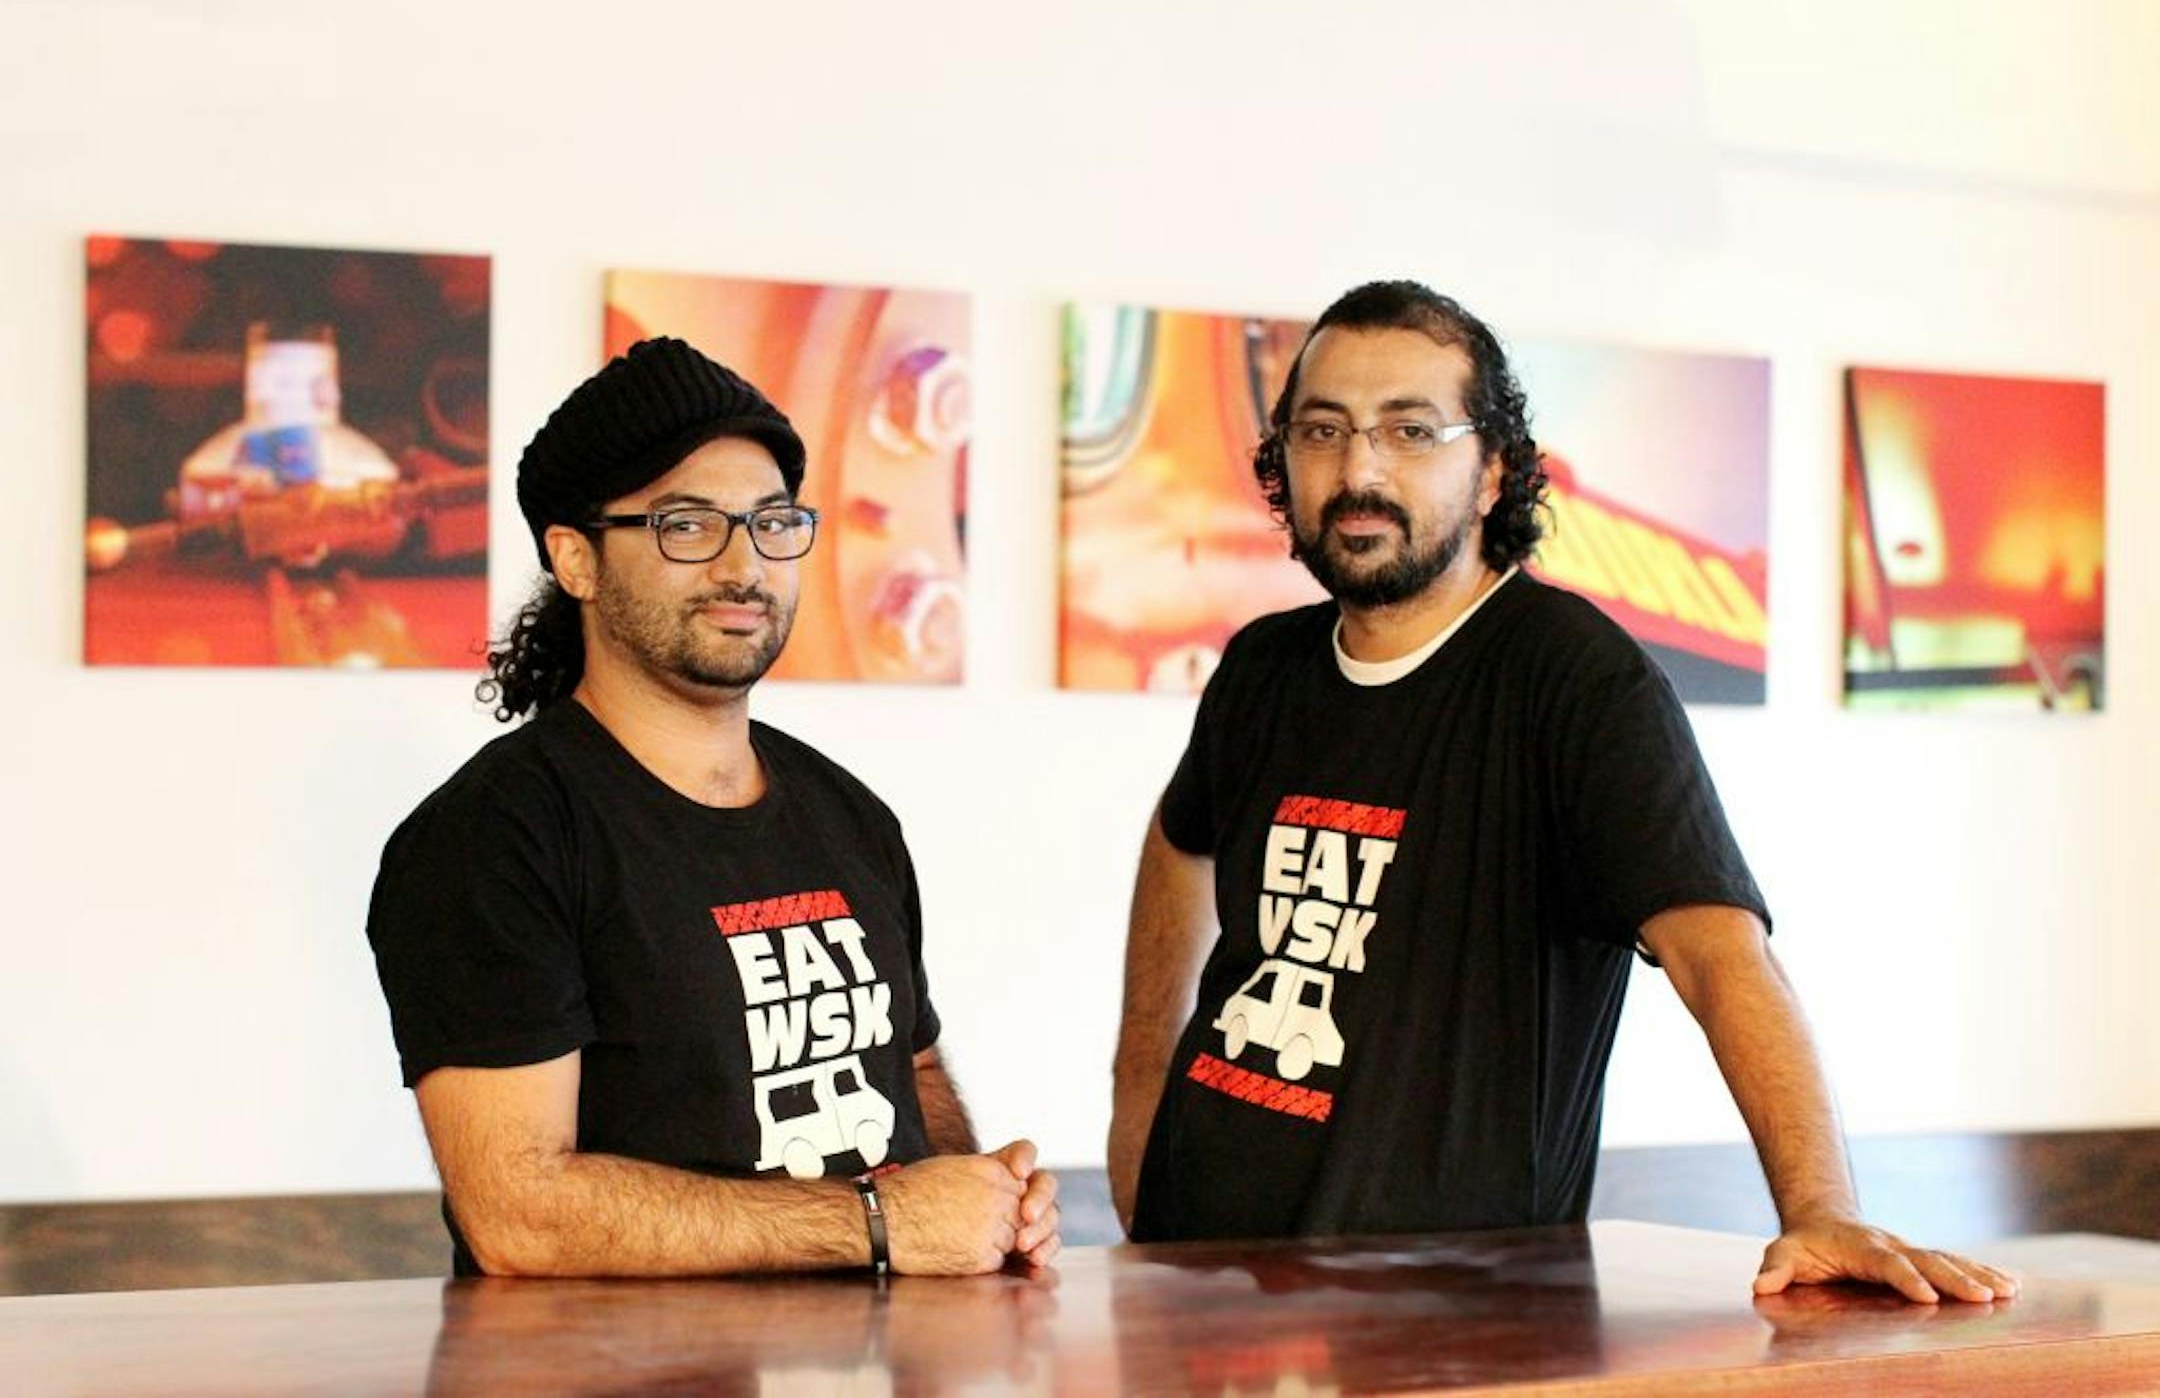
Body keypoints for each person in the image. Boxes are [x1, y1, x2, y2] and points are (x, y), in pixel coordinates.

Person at [1107, 281, 2015, 1305]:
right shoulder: (1263, 667)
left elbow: (1721, 956)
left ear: (1492, 467)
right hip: (1196, 1275)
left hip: (1442, 1319)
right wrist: (1139, 1086)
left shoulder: (1578, 682)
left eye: (1411, 431)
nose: (1360, 469)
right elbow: (1180, 839)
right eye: (1324, 430)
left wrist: (1818, 1210)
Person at [368, 337, 1058, 1278]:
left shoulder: (850, 816)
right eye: (687, 526)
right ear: (576, 559)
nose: (745, 565)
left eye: (772, 523)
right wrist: (879, 1223)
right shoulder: (493, 838)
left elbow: (917, 1072)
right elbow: (518, 1214)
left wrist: (982, 1202)